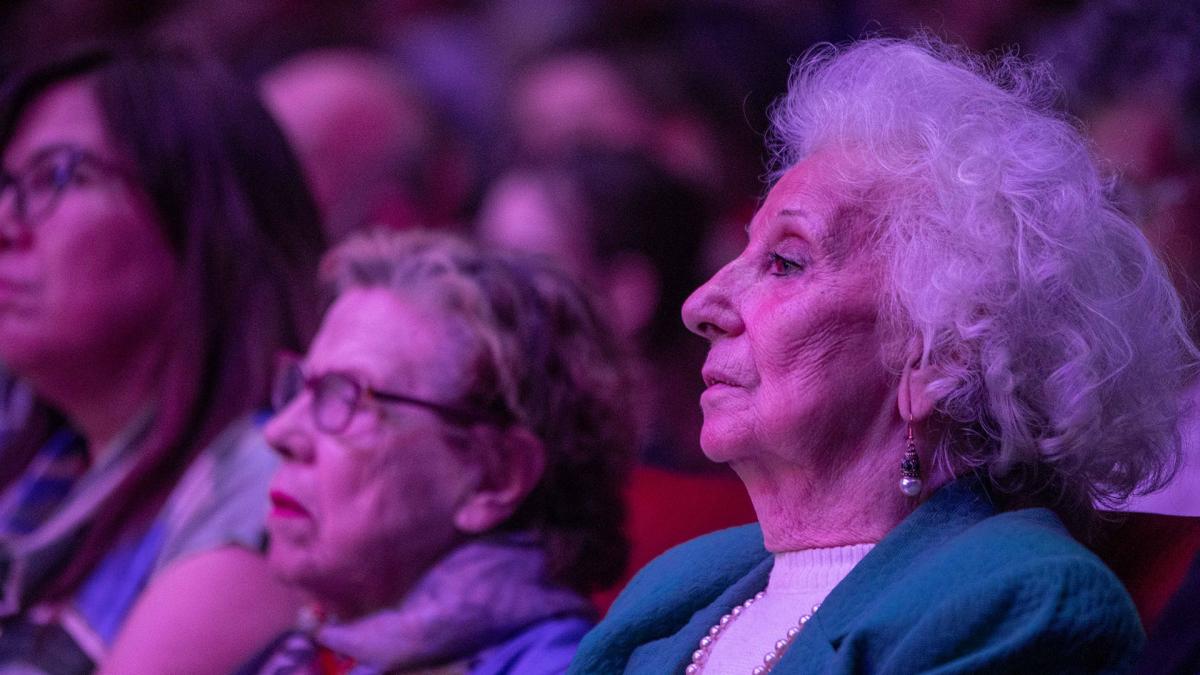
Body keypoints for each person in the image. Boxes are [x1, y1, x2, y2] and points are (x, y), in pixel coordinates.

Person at [569, 36, 1196, 674]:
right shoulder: (676, 586)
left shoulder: (1018, 599)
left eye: (786, 261)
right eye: (742, 253)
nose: (701, 304)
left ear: (940, 357)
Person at [0, 45, 325, 673]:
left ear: (206, 217)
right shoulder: (40, 461)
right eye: (7, 185)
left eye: (57, 175)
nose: (5, 225)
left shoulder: (268, 489)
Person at [243, 229, 633, 674]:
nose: (279, 431)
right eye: (303, 386)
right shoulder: (320, 650)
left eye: (346, 396)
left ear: (494, 476)